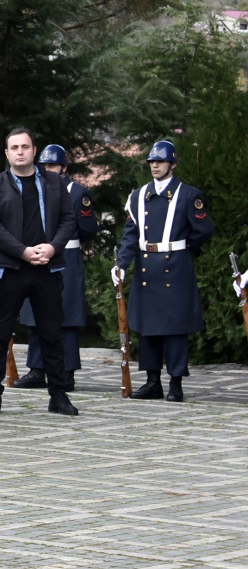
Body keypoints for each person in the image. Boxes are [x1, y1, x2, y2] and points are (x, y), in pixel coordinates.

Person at [0, 128, 78, 417]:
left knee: (51, 333)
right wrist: (22, 250)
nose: (20, 151)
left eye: (25, 146)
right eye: (14, 147)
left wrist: (51, 248)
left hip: (46, 268)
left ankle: (58, 395)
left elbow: (68, 219)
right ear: (7, 153)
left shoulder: (53, 183)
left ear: (34, 150)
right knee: (0, 334)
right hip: (10, 269)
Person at [115, 139, 214, 402]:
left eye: (160, 161)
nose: (155, 165)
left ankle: (176, 383)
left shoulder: (188, 194)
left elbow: (204, 231)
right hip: (148, 268)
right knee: (148, 328)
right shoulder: (138, 196)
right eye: (151, 161)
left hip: (175, 267)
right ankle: (152, 381)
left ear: (172, 163)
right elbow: (130, 235)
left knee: (175, 329)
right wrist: (122, 264)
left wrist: (181, 248)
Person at [16, 145, 98, 391]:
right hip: (37, 256)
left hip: (66, 257)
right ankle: (37, 369)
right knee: (35, 314)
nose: (47, 169)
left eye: (52, 165)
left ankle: (66, 371)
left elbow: (88, 229)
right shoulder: (35, 189)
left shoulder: (77, 193)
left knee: (67, 317)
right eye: (44, 165)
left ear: (63, 167)